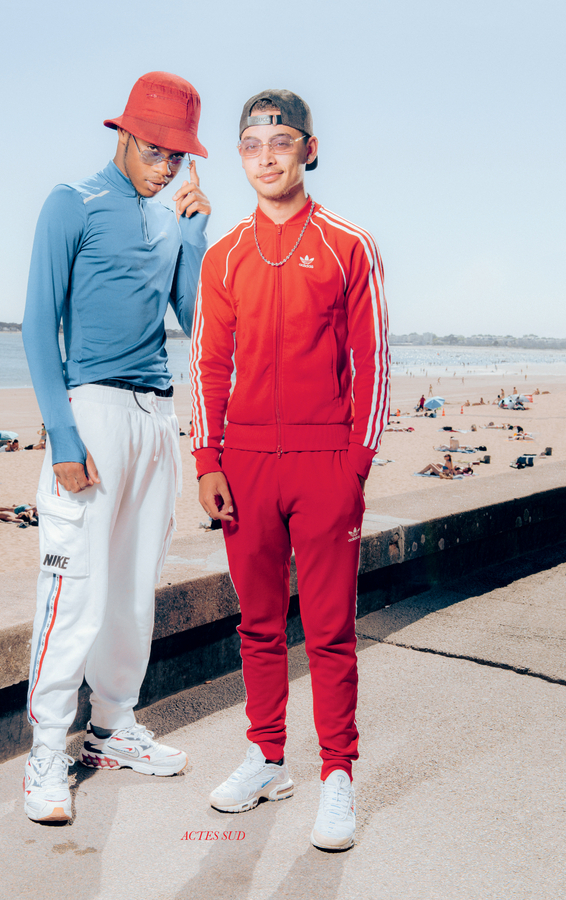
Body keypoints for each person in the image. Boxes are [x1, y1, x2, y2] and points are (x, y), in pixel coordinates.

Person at [190, 89, 388, 851]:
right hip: (243, 465)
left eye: (279, 142)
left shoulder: (349, 244)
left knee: (332, 630)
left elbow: (370, 359)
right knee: (259, 624)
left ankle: (337, 774)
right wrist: (208, 458)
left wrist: (356, 462)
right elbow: (208, 364)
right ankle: (267, 757)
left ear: (308, 149)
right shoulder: (224, 254)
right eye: (250, 145)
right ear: (240, 157)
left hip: (324, 462)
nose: (265, 156)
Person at [21, 71, 211, 824]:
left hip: (155, 417)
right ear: (126, 134)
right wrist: (62, 435)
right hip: (91, 411)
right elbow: (39, 324)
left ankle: (112, 728)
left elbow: (195, 320)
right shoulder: (72, 202)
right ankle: (45, 750)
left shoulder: (170, 221)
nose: (166, 165)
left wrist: (195, 239)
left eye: (178, 155)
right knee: (75, 590)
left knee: (133, 588)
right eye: (156, 148)